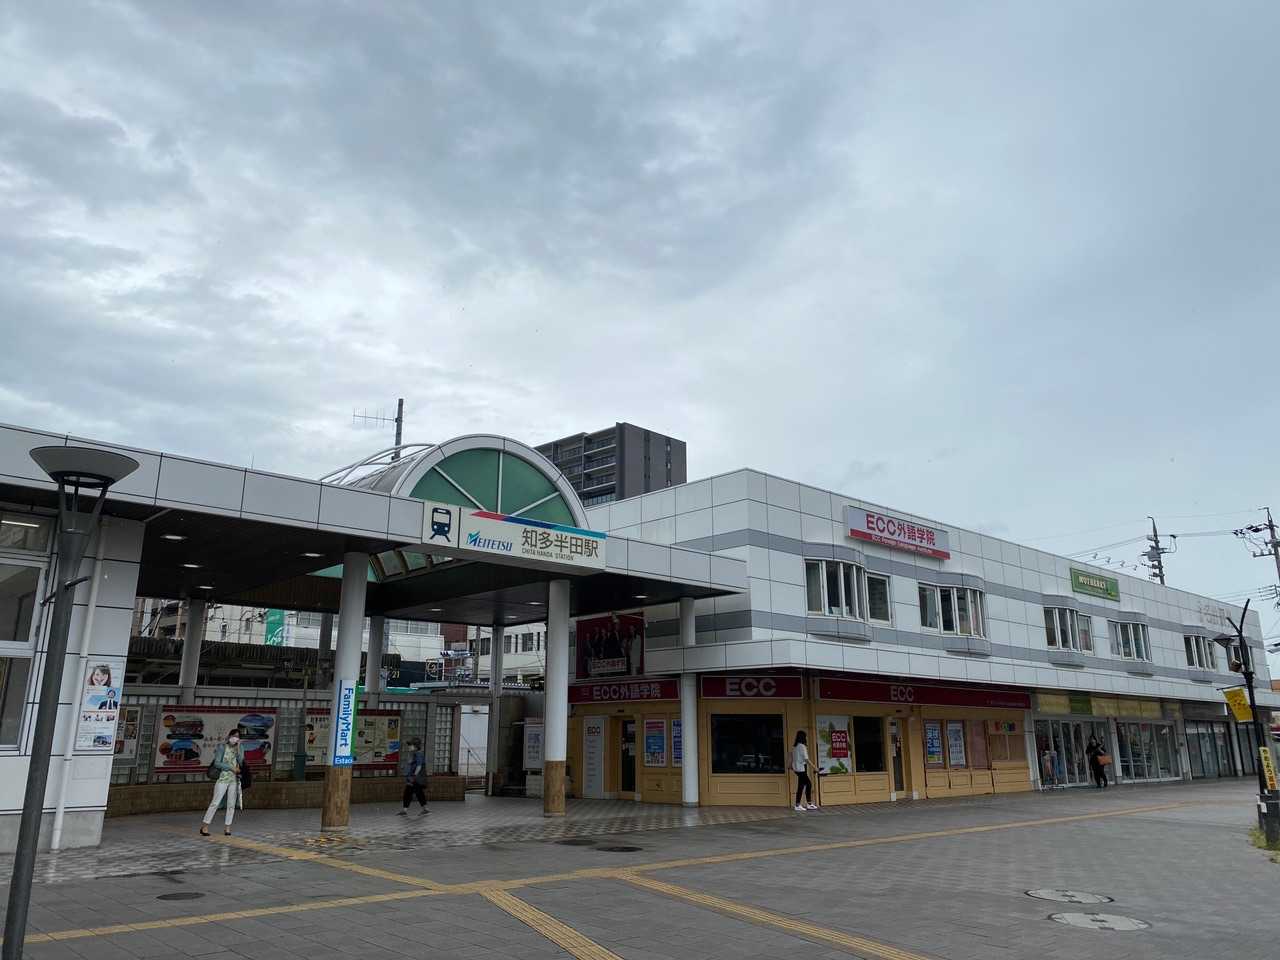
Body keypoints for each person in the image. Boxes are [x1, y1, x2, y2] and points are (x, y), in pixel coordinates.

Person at [200, 730, 244, 836]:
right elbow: (217, 763)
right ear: (229, 736)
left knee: (231, 804)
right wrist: (230, 768)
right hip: (222, 779)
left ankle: (227, 828)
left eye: (237, 737)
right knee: (215, 802)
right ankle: (205, 826)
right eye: (233, 736)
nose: (235, 738)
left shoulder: (240, 748)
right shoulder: (222, 747)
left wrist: (238, 749)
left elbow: (241, 762)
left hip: (234, 780)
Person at [399, 738, 428, 816]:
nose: (409, 746)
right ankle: (405, 810)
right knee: (410, 792)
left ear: (416, 746)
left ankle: (425, 809)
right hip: (413, 778)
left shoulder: (418, 754)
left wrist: (414, 776)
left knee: (416, 793)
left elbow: (419, 766)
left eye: (410, 745)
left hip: (416, 778)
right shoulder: (414, 754)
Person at [792, 731, 817, 811]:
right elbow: (806, 759)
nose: (806, 738)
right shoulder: (802, 746)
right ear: (803, 737)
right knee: (808, 784)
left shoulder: (795, 747)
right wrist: (814, 767)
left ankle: (798, 805)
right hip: (802, 768)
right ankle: (808, 804)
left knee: (801, 786)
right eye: (805, 736)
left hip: (796, 769)